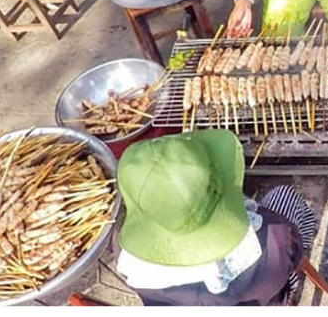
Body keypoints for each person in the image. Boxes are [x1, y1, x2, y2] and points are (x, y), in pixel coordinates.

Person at [114, 130, 316, 306]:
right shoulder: (275, 234)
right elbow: (292, 254)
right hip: (265, 303)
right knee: (285, 196)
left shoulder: (127, 254)